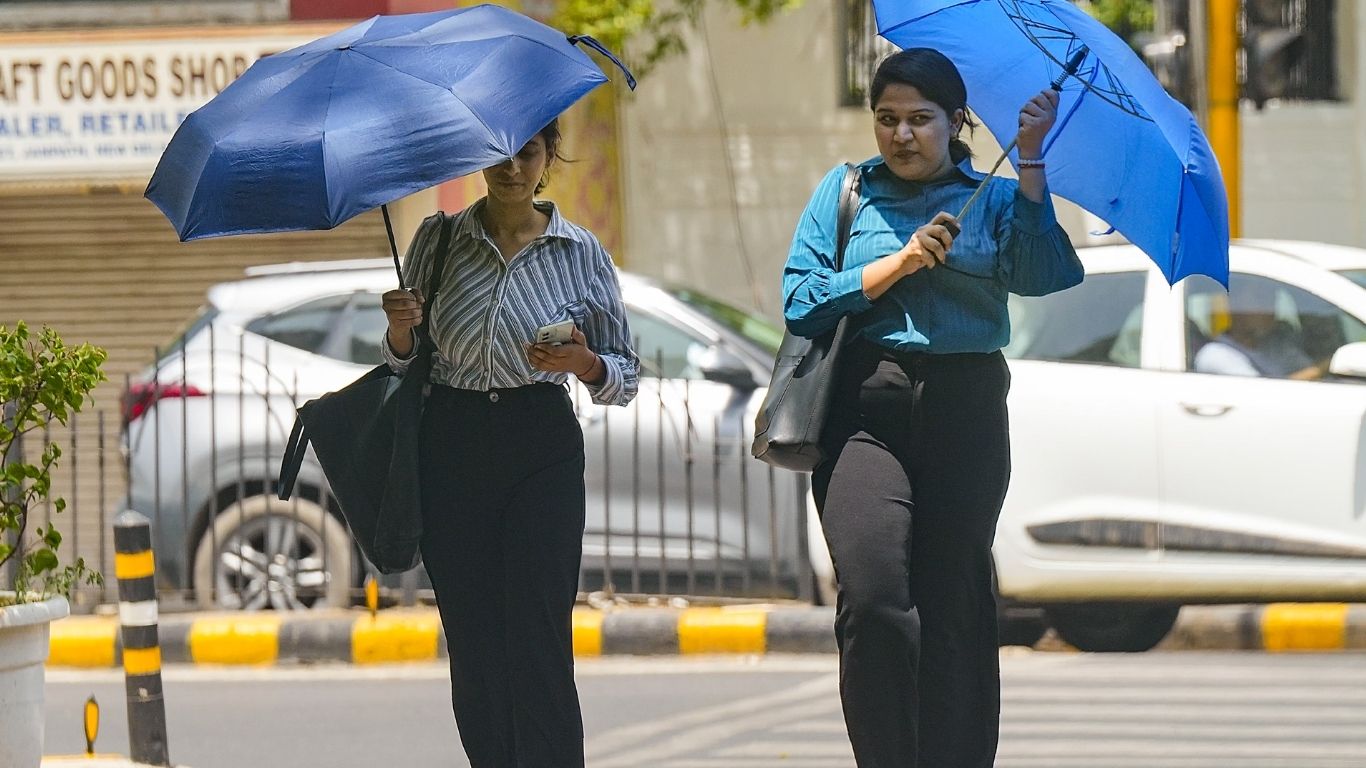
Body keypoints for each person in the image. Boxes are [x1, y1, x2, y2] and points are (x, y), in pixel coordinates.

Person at [782, 48, 1083, 767]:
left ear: (957, 123)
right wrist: (897, 264)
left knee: (955, 605)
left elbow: (1046, 274)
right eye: (888, 119)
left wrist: (1033, 164)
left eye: (921, 119)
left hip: (965, 407)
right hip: (864, 410)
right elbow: (800, 298)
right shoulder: (847, 190)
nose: (902, 135)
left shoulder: (1002, 198)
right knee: (876, 598)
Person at [380, 117, 639, 767]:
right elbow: (402, 369)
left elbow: (626, 375)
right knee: (474, 643)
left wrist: (583, 364)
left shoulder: (580, 251)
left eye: (526, 153)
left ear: (548, 156)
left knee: (538, 638)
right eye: (496, 154)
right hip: (452, 445)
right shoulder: (438, 242)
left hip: (540, 444)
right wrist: (400, 332)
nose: (511, 168)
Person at [1194, 276, 1326, 380]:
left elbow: (1304, 368)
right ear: (1236, 303)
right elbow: (1262, 395)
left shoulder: (1276, 347)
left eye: (1272, 300)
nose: (1270, 309)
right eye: (1261, 299)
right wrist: (1321, 369)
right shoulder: (1216, 355)